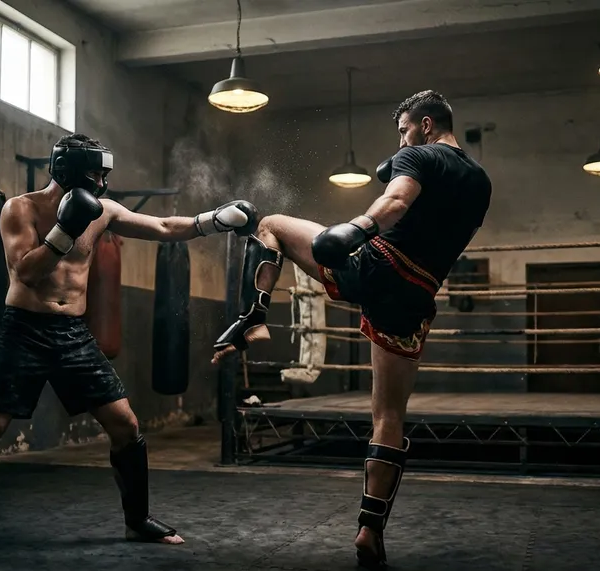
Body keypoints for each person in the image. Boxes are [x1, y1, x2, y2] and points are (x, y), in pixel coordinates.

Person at [0, 133, 260, 562]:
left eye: (104, 172)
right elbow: (25, 273)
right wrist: (65, 230)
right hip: (24, 329)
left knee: (125, 425)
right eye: (95, 172)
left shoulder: (103, 212)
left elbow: (164, 228)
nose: (101, 180)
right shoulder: (20, 209)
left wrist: (214, 220)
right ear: (69, 170)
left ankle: (137, 521)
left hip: (73, 334)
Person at [211, 90, 492, 570]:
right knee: (389, 416)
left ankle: (256, 318)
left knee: (272, 223)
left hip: (377, 267)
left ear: (425, 125)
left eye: (403, 129)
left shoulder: (419, 154)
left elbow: (397, 199)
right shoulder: (481, 183)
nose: (400, 139)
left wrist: (358, 226)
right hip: (415, 298)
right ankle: (370, 529)